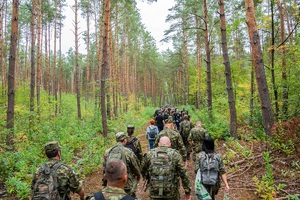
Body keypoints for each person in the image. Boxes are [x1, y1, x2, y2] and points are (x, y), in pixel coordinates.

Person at [102, 132, 141, 199]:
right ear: (125, 140)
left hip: (111, 183)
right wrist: (138, 176)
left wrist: (104, 183)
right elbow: (135, 167)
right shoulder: (128, 152)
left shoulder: (107, 152)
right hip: (126, 185)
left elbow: (105, 169)